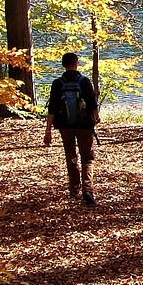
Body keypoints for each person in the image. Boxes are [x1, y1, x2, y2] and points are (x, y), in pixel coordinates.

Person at [44, 52, 100, 206]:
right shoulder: (84, 82)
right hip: (84, 126)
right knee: (87, 158)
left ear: (63, 64)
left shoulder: (57, 83)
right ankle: (87, 190)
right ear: (76, 63)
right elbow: (93, 106)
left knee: (71, 155)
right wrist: (95, 120)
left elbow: (52, 109)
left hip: (65, 127)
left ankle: (74, 188)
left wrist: (48, 131)